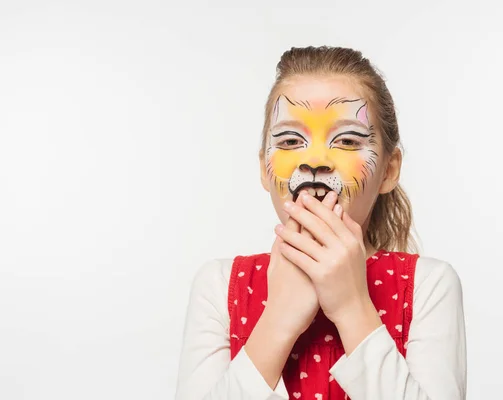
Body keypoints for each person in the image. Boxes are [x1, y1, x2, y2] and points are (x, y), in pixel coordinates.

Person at [175, 46, 467, 400]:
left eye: (346, 140)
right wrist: (279, 317)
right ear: (263, 170)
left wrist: (351, 305)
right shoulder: (220, 286)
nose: (315, 161)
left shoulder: (428, 286)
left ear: (389, 170)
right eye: (290, 141)